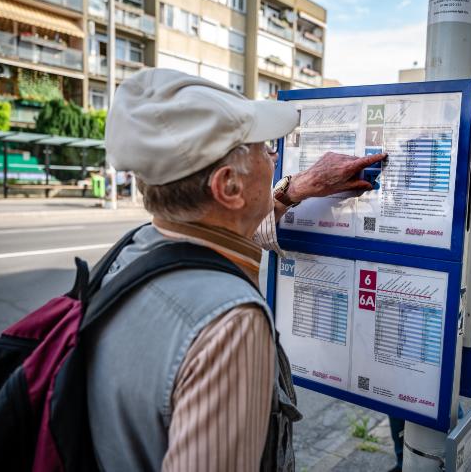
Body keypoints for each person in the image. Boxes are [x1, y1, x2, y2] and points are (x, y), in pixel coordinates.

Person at [87, 68, 386, 471]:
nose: (275, 158)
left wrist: (292, 191)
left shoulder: (133, 251)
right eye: (263, 148)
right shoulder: (230, 323)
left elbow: (241, 231)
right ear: (228, 187)